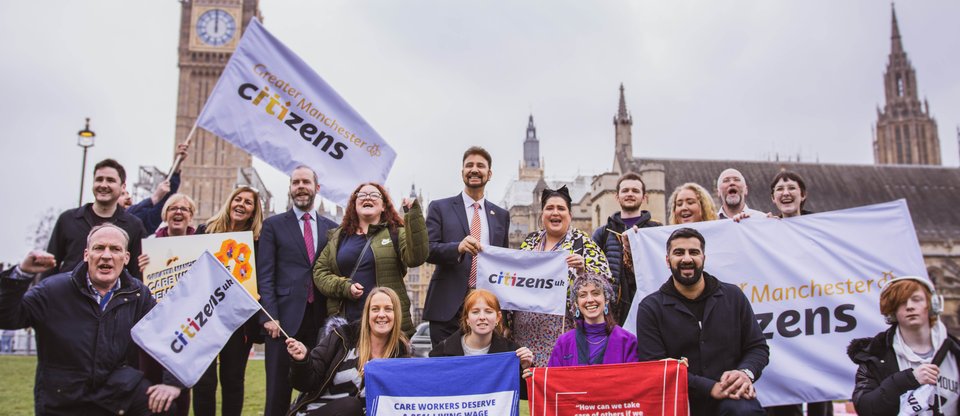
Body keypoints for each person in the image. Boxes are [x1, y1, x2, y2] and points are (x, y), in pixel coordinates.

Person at [0, 224, 182, 414]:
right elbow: (7, 318)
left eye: (115, 249)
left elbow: (167, 333)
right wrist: (22, 274)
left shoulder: (138, 294)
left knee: (163, 407)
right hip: (63, 396)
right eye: (99, 248)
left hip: (117, 391)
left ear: (126, 258)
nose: (106, 255)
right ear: (87, 255)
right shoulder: (53, 290)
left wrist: (173, 383)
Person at [636, 227, 769, 416]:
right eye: (679, 253)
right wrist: (709, 387)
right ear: (668, 260)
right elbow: (655, 366)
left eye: (694, 252)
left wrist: (745, 373)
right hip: (676, 401)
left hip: (730, 398)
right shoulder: (650, 308)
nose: (687, 259)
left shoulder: (733, 296)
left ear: (704, 258)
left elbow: (757, 347)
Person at [258, 166, 338, 416]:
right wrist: (269, 315)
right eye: (295, 183)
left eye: (305, 182)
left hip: (321, 320)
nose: (300, 186)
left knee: (320, 390)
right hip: (283, 321)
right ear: (290, 188)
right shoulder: (273, 225)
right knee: (277, 392)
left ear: (317, 188)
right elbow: (265, 274)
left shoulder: (332, 228)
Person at [510, 185, 612, 367]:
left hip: (563, 334)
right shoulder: (530, 241)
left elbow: (606, 286)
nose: (555, 212)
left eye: (561, 208)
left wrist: (583, 270)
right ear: (542, 215)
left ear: (570, 216)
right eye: (549, 208)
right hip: (524, 335)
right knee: (528, 386)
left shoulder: (583, 243)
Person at [314, 182, 428, 337]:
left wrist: (413, 216)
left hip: (387, 324)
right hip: (348, 324)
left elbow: (417, 258)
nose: (367, 197)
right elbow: (320, 272)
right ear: (354, 205)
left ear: (383, 206)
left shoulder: (396, 233)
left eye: (374, 195)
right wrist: (345, 287)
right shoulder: (338, 238)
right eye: (362, 195)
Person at [424, 146, 510, 347]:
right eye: (469, 165)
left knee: (481, 370)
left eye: (480, 166)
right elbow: (427, 250)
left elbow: (504, 262)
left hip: (485, 308)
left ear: (489, 174)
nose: (474, 169)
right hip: (447, 307)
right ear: (462, 171)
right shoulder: (440, 207)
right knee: (445, 369)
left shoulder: (501, 216)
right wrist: (457, 248)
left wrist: (504, 313)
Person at [193, 185, 264, 416]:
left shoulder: (257, 242)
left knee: (233, 380)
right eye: (238, 199)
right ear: (229, 203)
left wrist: (258, 291)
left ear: (254, 211)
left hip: (237, 321)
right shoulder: (205, 231)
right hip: (205, 317)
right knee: (204, 382)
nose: (241, 205)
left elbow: (262, 276)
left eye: (248, 202)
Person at [286, 287, 411, 415]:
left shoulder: (401, 357)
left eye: (388, 309)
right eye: (375, 309)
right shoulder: (341, 338)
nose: (381, 314)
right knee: (350, 406)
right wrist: (302, 361)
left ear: (396, 314)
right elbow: (305, 383)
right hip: (319, 410)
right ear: (367, 314)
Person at [765, 170, 829, 416]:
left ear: (803, 195)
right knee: (782, 393)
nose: (786, 193)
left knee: (820, 392)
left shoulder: (822, 229)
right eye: (780, 189)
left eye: (791, 188)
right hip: (782, 321)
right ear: (773, 198)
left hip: (816, 319)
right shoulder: (765, 229)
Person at [847, 276, 960, 415]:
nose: (910, 306)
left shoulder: (955, 352)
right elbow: (865, 408)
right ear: (892, 311)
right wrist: (908, 379)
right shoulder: (875, 357)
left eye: (916, 299)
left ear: (932, 305)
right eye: (901, 302)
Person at [135, 192, 198, 416]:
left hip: (187, 326)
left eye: (184, 209)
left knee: (180, 384)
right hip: (155, 324)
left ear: (191, 216)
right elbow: (134, 285)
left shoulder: (202, 247)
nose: (178, 212)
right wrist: (139, 269)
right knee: (149, 381)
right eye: (173, 208)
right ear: (165, 214)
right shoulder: (149, 246)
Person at [45, 158, 148, 279]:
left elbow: (137, 274)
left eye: (110, 180)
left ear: (123, 186)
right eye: (99, 179)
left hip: (112, 297)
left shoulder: (134, 226)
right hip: (68, 295)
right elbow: (49, 267)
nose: (103, 185)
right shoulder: (68, 219)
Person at [592, 172, 661, 324]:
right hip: (613, 310)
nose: (630, 194)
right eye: (625, 190)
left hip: (649, 305)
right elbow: (591, 273)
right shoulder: (602, 233)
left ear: (644, 197)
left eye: (635, 191)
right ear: (617, 197)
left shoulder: (656, 229)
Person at [548, 272, 638, 366]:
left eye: (596, 293)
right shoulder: (564, 342)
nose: (590, 300)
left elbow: (634, 379)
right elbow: (552, 378)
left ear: (606, 299)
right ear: (576, 304)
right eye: (583, 295)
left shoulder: (627, 341)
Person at [430, 289, 534, 369]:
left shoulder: (512, 351)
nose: (482, 317)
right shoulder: (441, 352)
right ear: (467, 319)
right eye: (475, 312)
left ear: (498, 317)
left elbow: (523, 393)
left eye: (488, 311)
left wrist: (525, 367)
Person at [127, 144, 189, 235]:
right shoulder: (119, 220)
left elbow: (166, 196)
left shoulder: (141, 224)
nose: (128, 198)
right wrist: (153, 198)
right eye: (122, 194)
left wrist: (177, 163)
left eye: (184, 209)